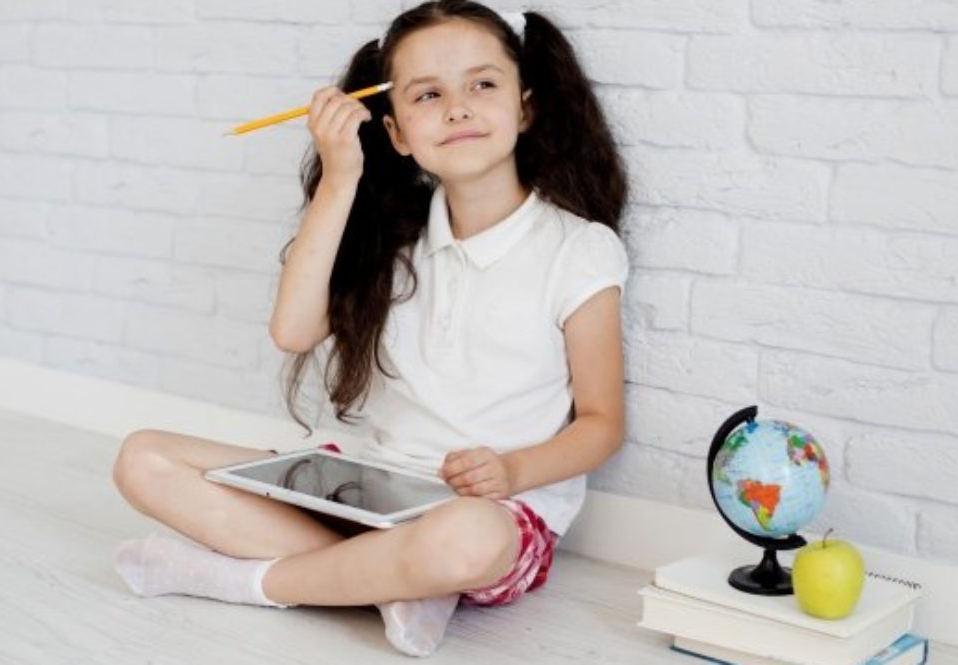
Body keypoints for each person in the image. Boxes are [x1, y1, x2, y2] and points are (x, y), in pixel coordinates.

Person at [111, 0, 629, 657]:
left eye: (483, 84)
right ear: (398, 132)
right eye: (428, 94)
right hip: (372, 488)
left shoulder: (578, 248)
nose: (459, 107)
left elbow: (602, 422)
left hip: (494, 510)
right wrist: (340, 175)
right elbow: (293, 330)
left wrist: (511, 467)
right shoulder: (397, 241)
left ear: (525, 108)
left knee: (465, 539)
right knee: (143, 457)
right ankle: (397, 579)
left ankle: (245, 579)